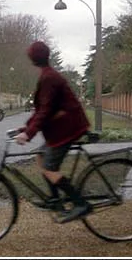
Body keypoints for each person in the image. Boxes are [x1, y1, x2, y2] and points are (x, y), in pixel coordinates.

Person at [14, 40, 93, 223]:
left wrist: (28, 133)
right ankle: (56, 200)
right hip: (63, 126)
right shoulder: (47, 75)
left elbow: (45, 110)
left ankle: (81, 204)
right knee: (41, 156)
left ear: (34, 58)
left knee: (50, 169)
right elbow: (42, 109)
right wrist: (26, 128)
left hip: (69, 127)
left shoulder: (49, 77)